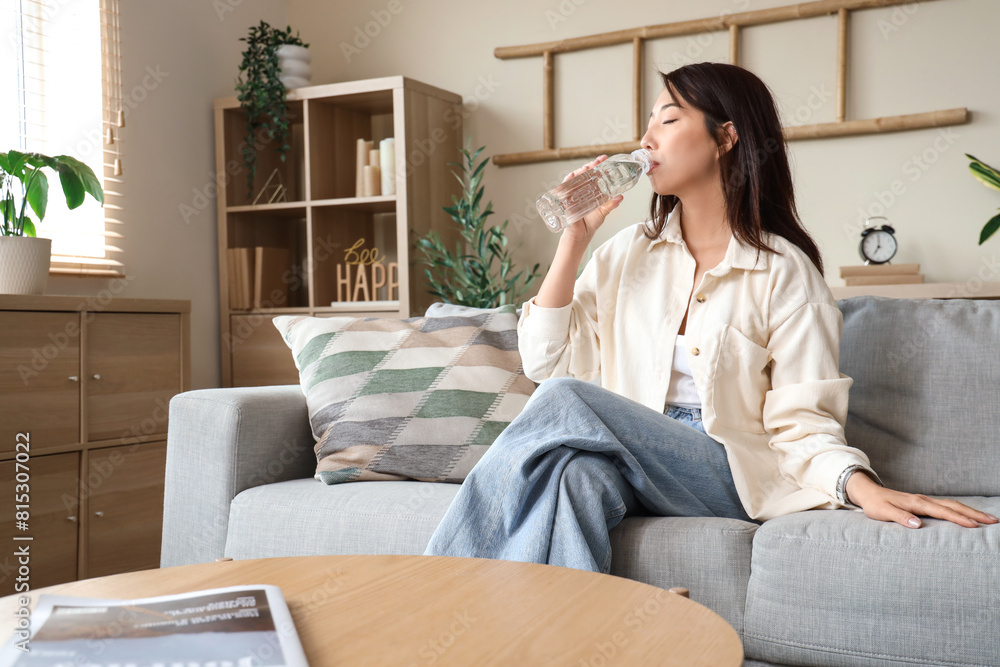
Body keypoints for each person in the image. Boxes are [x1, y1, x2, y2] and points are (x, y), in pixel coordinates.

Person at [423, 62, 997, 574]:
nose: (645, 139)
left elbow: (805, 422)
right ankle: (547, 639)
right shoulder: (625, 253)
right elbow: (544, 362)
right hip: (629, 455)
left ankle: (437, 585)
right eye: (647, 122)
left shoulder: (785, 274)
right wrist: (575, 239)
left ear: (726, 137)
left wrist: (856, 484)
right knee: (576, 478)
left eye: (667, 120)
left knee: (568, 402)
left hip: (726, 470)